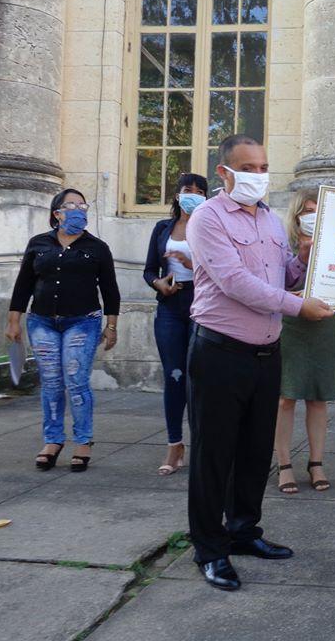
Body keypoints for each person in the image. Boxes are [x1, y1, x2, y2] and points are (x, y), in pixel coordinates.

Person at [185, 134, 333, 591]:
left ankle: (244, 531)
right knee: (214, 455)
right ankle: (209, 549)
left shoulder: (270, 219)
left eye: (264, 166)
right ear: (224, 173)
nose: (258, 176)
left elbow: (283, 271)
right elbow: (234, 282)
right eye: (248, 167)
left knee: (253, 452)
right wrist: (296, 306)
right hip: (220, 353)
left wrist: (306, 260)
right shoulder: (207, 219)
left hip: (267, 354)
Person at [7, 189, 120, 473]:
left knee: (75, 378)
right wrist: (13, 321)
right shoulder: (38, 244)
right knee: (52, 381)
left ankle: (83, 440)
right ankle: (53, 440)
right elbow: (23, 285)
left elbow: (110, 290)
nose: (79, 210)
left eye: (83, 205)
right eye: (71, 205)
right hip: (42, 321)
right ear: (57, 212)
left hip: (82, 321)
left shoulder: (97, 247)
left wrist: (111, 326)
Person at [274, 189, 335, 494]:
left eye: (318, 210)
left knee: (318, 396)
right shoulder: (281, 241)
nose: (313, 216)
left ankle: (316, 463)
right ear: (297, 214)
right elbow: (281, 283)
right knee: (286, 396)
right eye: (307, 211)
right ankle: (284, 464)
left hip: (324, 322)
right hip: (290, 322)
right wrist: (302, 254)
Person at [143, 173, 208, 476]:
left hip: (202, 303)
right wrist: (159, 283)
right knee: (174, 377)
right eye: (187, 190)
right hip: (170, 305)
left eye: (198, 191)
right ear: (177, 195)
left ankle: (203, 445)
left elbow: (221, 268)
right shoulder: (162, 228)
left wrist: (188, 265)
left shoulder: (210, 227)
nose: (192, 195)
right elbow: (148, 271)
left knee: (201, 378)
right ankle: (174, 445)